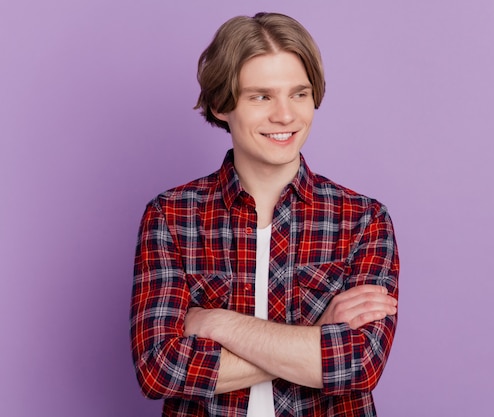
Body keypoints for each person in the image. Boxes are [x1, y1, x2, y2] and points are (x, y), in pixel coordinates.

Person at [130, 12, 399, 417]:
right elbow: (159, 369)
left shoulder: (363, 220)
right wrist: (313, 341)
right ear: (222, 104)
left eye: (299, 94)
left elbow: (358, 364)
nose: (285, 115)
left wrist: (218, 323)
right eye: (261, 96)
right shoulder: (171, 216)